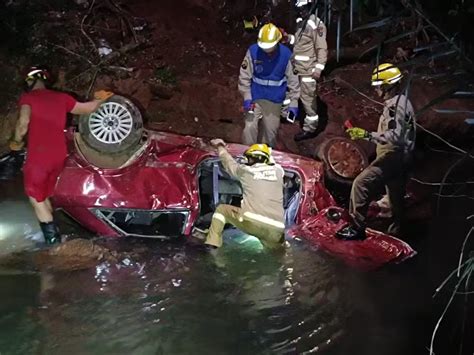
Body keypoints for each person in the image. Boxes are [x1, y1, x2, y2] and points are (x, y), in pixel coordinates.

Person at [9, 66, 114, 244]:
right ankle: (55, 229)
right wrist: (99, 98)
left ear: (28, 82)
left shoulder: (28, 98)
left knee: (36, 198)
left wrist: (16, 143)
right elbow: (86, 108)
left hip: (39, 156)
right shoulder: (61, 97)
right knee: (45, 195)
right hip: (59, 156)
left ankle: (53, 242)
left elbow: (23, 123)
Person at [338, 63, 415, 240]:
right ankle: (398, 232)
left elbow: (394, 136)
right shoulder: (404, 101)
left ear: (388, 85)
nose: (377, 90)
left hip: (393, 157)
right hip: (404, 158)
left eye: (379, 85)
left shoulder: (395, 108)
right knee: (396, 199)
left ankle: (357, 228)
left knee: (361, 184)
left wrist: (366, 135)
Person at [201, 138, 286, 250]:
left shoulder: (246, 171)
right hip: (277, 229)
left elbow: (228, 163)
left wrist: (220, 146)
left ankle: (212, 245)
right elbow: (273, 163)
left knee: (221, 210)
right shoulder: (279, 171)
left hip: (252, 222)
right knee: (277, 253)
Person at [238, 23, 300, 148]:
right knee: (249, 127)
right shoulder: (253, 51)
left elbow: (294, 80)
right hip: (255, 96)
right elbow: (244, 76)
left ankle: (264, 155)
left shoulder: (286, 54)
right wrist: (247, 96)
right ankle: (246, 154)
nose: (266, 51)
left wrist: (294, 102)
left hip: (274, 100)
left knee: (270, 133)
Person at [288, 0, 328, 142]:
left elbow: (321, 47)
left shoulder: (316, 24)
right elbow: (299, 42)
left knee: (308, 101)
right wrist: (287, 38)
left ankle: (309, 130)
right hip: (297, 69)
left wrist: (319, 68)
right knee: (295, 94)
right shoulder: (301, 22)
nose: (301, 11)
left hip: (308, 71)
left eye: (304, 8)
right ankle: (292, 116)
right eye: (299, 8)